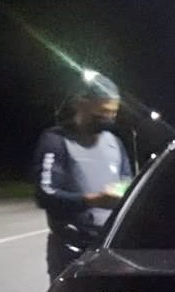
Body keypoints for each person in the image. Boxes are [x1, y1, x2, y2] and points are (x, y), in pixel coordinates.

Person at [33, 72, 133, 281]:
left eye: (113, 113)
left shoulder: (115, 144)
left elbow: (128, 184)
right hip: (70, 251)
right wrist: (93, 200)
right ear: (81, 104)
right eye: (103, 112)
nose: (109, 118)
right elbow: (45, 194)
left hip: (110, 249)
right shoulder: (56, 140)